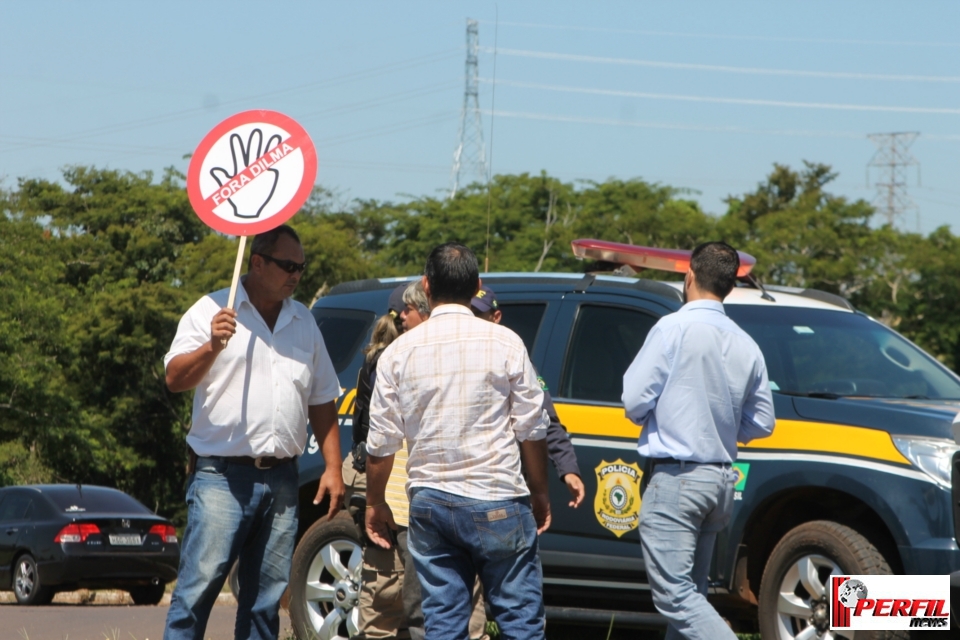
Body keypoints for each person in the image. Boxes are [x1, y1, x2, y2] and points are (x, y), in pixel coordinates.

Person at [162, 225, 344, 640]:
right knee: (197, 592)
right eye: (287, 265)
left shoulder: (304, 321)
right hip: (221, 478)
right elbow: (174, 379)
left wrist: (332, 466)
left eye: (301, 266)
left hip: (282, 477)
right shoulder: (210, 309)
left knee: (265, 599)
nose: (296, 274)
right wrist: (212, 345)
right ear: (256, 262)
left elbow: (322, 399)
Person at [365, 242, 552, 640]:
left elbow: (381, 442)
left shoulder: (398, 352)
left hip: (431, 504)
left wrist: (375, 501)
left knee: (444, 625)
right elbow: (533, 427)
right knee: (520, 623)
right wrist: (539, 491)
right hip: (499, 496)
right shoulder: (506, 343)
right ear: (477, 285)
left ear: (426, 287)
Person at [621, 241, 775, 640]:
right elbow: (763, 423)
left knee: (675, 598)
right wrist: (717, 427)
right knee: (691, 597)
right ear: (729, 286)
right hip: (720, 480)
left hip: (677, 479)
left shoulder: (672, 328)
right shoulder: (746, 342)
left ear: (689, 276)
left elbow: (634, 399)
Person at [470, 285, 584, 507]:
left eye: (478, 315)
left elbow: (543, 417)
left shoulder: (512, 358)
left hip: (500, 489)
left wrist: (568, 469)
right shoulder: (445, 356)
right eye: (469, 313)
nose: (473, 322)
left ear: (496, 317)